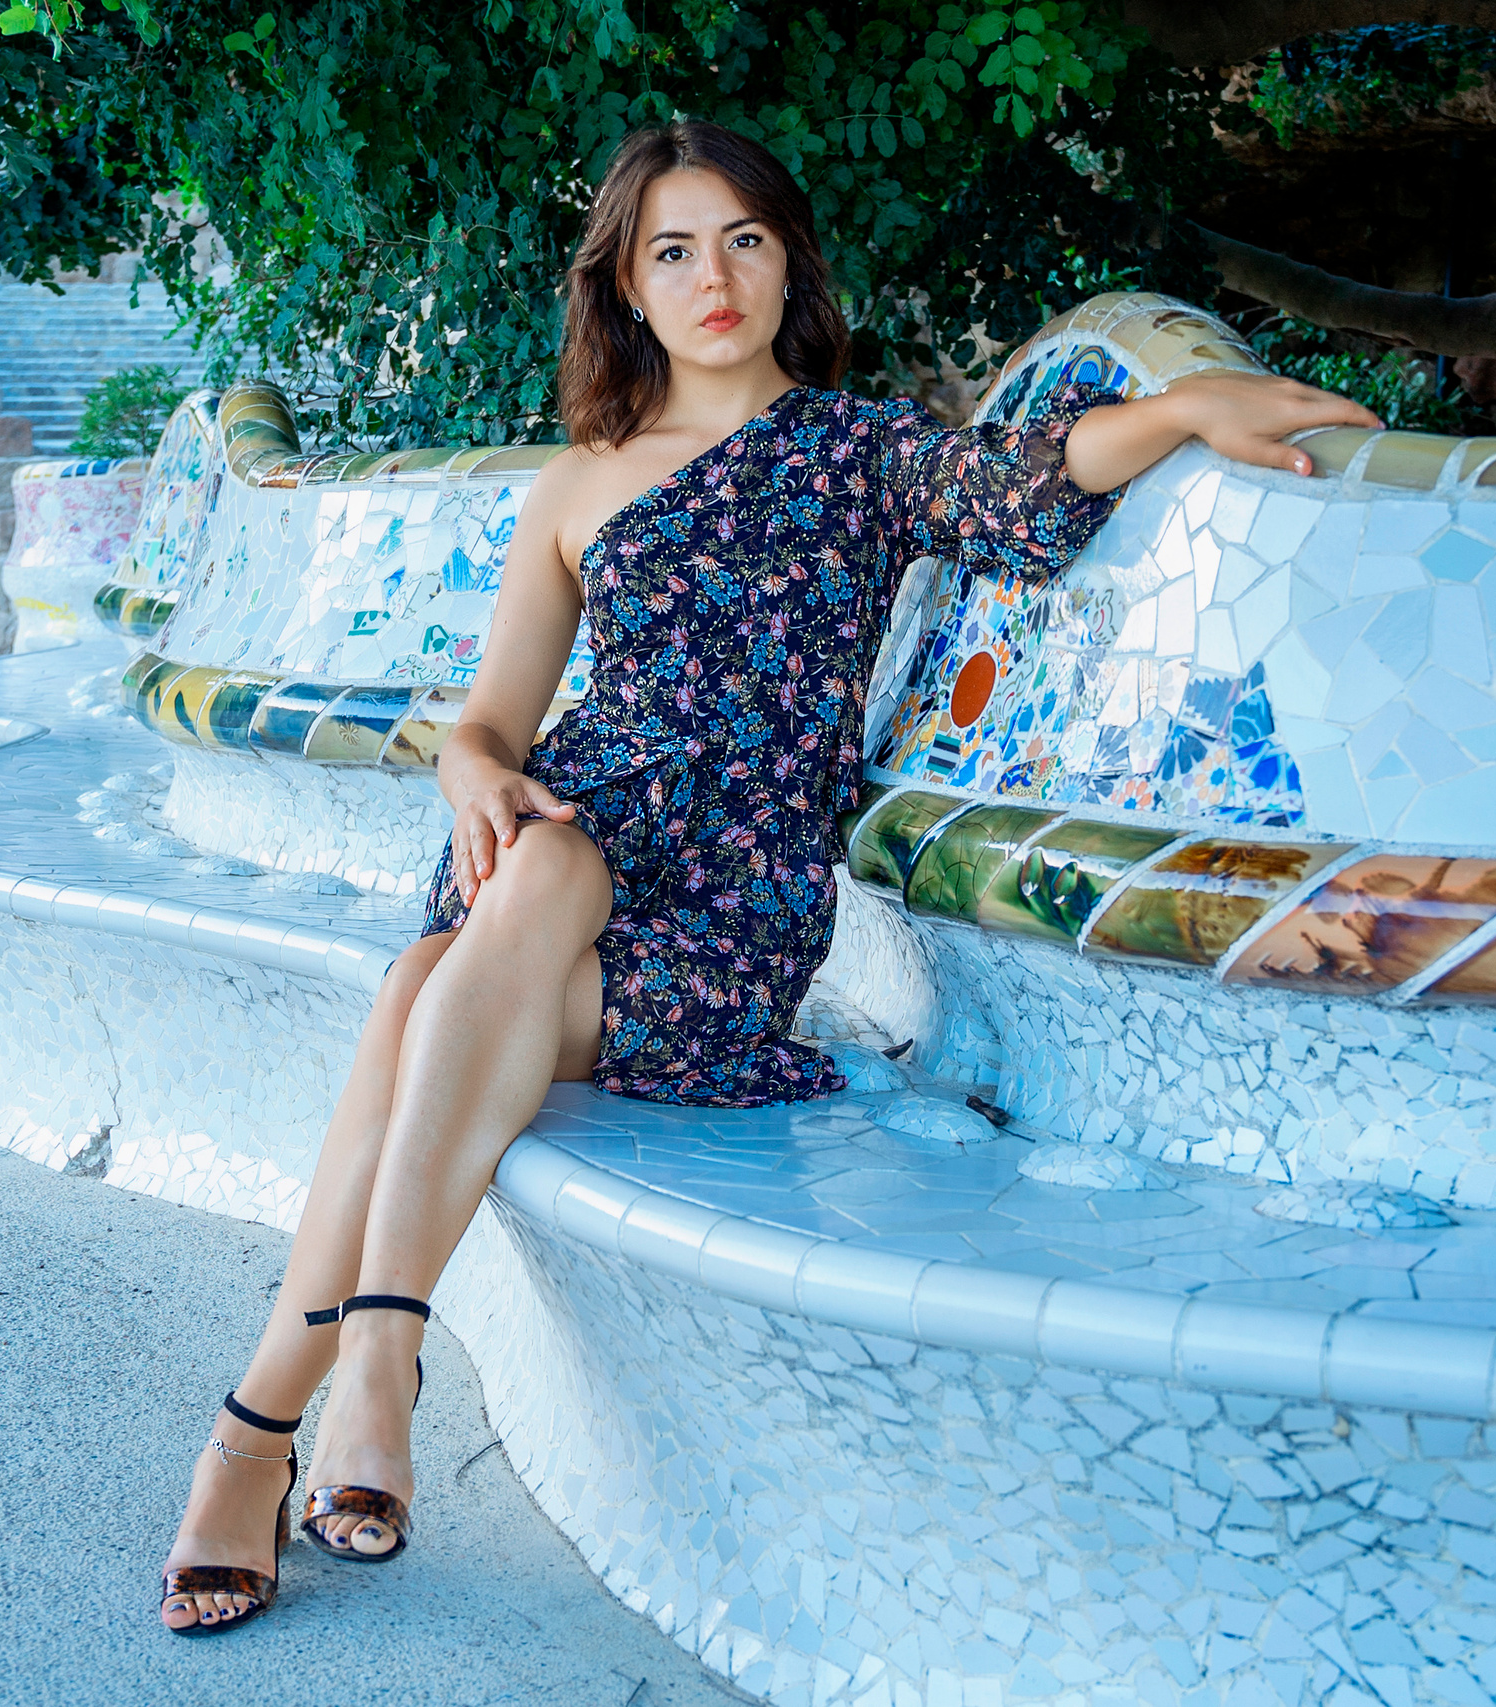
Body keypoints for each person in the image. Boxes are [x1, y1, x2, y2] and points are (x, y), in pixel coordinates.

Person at [158, 117, 1375, 1635]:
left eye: (742, 237)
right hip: (568, 842)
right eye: (672, 248)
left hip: (726, 913)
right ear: (626, 287)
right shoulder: (580, 483)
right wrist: (473, 771)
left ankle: (274, 1414)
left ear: (786, 256)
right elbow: (488, 723)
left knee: (429, 981)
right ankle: (365, 1371)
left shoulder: (857, 451)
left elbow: (1024, 486)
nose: (712, 273)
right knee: (495, 906)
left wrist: (1187, 408)